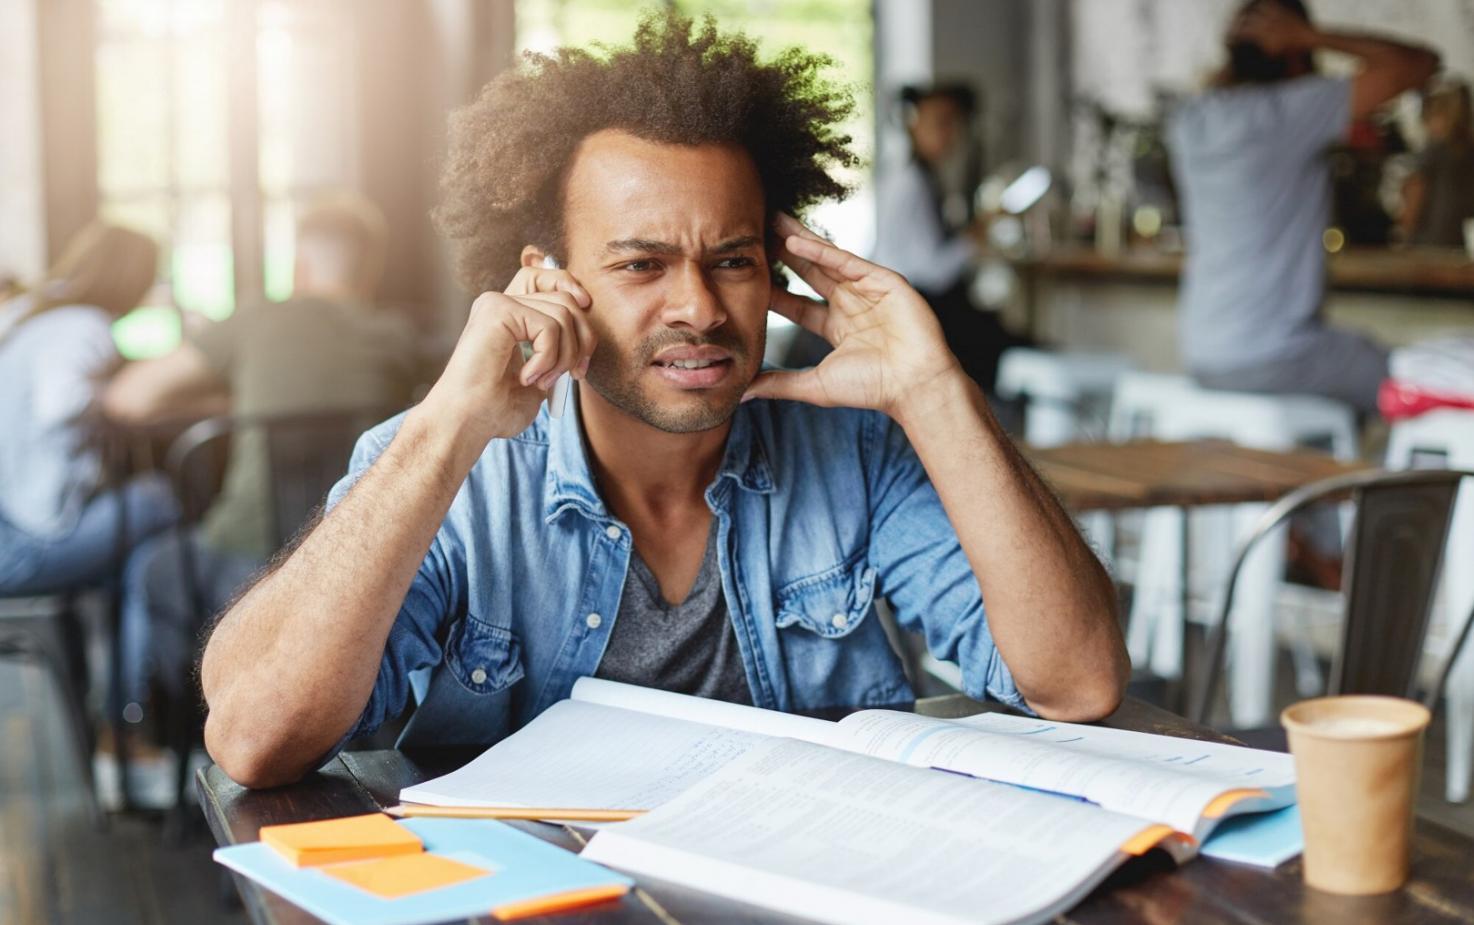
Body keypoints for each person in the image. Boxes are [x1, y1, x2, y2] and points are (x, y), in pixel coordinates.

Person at [199, 12, 1128, 789]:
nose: (697, 306)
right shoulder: (451, 470)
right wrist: (448, 424)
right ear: (547, 281)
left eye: (730, 260)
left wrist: (936, 388)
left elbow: (1077, 682)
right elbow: (255, 736)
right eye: (642, 264)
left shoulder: (855, 454)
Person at [102, 194, 435, 717]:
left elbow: (129, 398)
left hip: (249, 554)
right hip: (359, 554)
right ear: (367, 269)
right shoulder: (396, 338)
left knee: (153, 567)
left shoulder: (257, 318)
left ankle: (157, 730)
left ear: (299, 265)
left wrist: (231, 402)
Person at [1167, 0, 1439, 414]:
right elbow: (1420, 64)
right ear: (1293, 52)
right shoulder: (1286, 112)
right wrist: (1312, 36)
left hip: (1203, 349)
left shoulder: (1191, 119)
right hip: (1279, 353)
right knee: (1423, 385)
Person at [0, 222, 178, 597]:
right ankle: (139, 656)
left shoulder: (28, 315)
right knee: (163, 499)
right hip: (27, 547)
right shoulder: (84, 323)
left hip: (9, 533)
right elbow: (60, 403)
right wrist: (117, 397)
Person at [873, 83, 1027, 393]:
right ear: (914, 125)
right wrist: (976, 236)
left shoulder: (922, 178)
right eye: (940, 122)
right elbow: (933, 271)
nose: (951, 133)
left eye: (954, 123)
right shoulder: (912, 184)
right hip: (915, 308)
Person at [1400, 77, 1474, 248]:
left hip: (1428, 241)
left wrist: (1405, 231)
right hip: (1460, 242)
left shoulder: (1434, 152)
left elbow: (1416, 192)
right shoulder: (1468, 153)